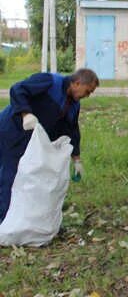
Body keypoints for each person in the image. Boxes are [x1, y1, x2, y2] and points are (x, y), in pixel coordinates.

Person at [0, 68, 99, 223]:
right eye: (88, 91)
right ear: (77, 83)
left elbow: (72, 130)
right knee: (9, 175)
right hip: (11, 130)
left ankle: (20, 220)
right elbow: (17, 90)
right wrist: (26, 114)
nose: (87, 96)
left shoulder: (74, 104)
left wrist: (77, 159)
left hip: (30, 141)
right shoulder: (49, 82)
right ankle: (4, 222)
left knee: (26, 178)